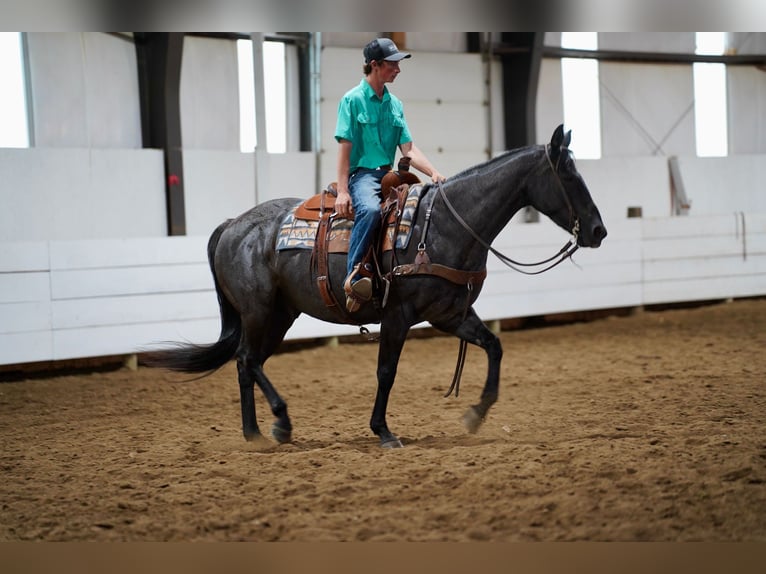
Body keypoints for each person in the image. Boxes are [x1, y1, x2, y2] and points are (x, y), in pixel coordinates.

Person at [334, 37, 446, 312]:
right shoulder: (352, 100)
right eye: (392, 64)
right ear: (375, 65)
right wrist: (343, 190)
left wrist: (433, 172)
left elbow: (407, 148)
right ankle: (355, 276)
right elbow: (345, 151)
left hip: (390, 175)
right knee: (371, 211)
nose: (398, 69)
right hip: (363, 176)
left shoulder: (395, 104)